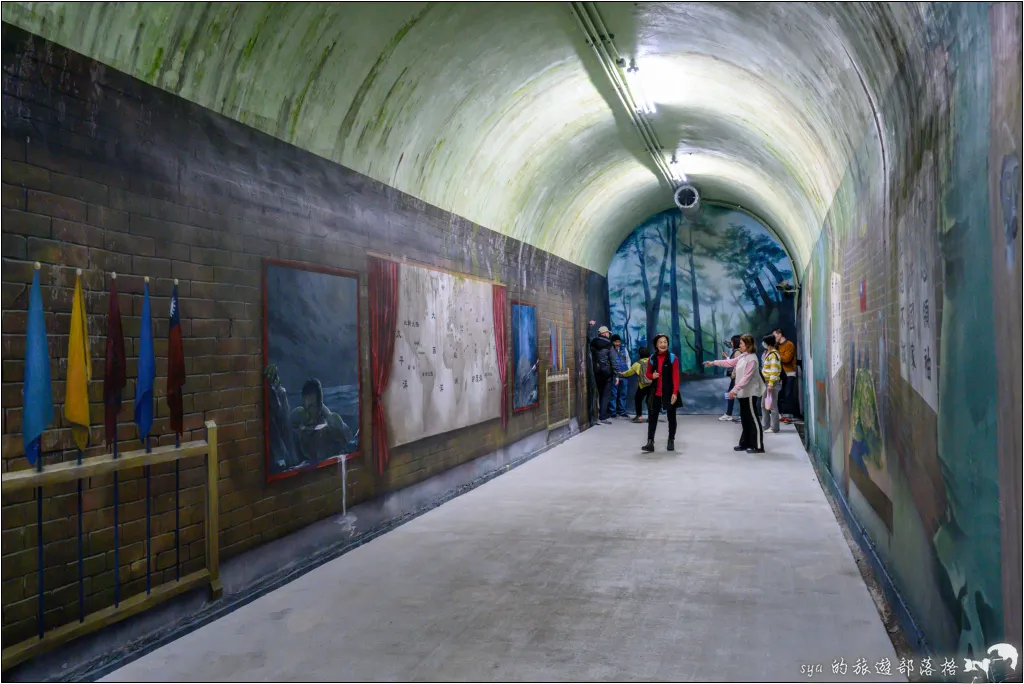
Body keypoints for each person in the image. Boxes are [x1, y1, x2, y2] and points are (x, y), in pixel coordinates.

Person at [705, 333, 766, 453]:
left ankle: (759, 446)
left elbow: (746, 378)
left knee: (753, 418)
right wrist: (713, 362)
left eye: (742, 343)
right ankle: (745, 443)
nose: (740, 345)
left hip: (750, 393)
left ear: (748, 345)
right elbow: (730, 363)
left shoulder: (752, 359)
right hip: (743, 393)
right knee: (745, 418)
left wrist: (734, 390)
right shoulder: (743, 356)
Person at [643, 334, 680, 452]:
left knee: (671, 418)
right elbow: (647, 374)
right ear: (656, 345)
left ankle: (671, 440)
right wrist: (651, 376)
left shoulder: (673, 358)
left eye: (665, 342)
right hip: (655, 393)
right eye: (660, 342)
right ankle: (650, 442)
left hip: (669, 393)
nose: (663, 344)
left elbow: (676, 377)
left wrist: (675, 392)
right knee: (652, 418)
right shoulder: (652, 358)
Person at [589, 325, 615, 424]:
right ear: (604, 333)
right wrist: (616, 374)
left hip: (596, 372)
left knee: (600, 393)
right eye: (608, 333)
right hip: (606, 373)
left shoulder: (593, 343)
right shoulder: (609, 345)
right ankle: (602, 417)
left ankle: (600, 415)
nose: (608, 334)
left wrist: (590, 327)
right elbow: (613, 360)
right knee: (606, 395)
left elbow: (589, 337)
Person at [619, 346, 652, 423]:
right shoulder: (652, 362)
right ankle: (651, 418)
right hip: (653, 385)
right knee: (650, 401)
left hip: (643, 386)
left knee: (638, 399)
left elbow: (629, 373)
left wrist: (622, 374)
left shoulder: (637, 364)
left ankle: (639, 416)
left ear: (639, 355)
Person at [773, 328, 798, 422]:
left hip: (789, 373)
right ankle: (783, 414)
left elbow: (787, 359)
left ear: (780, 335)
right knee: (781, 394)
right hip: (781, 374)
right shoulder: (777, 346)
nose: (774, 338)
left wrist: (776, 354)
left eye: (775, 336)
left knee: (788, 394)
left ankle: (788, 415)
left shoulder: (789, 345)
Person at [761, 334, 782, 434]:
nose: (763, 344)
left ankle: (774, 428)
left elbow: (774, 370)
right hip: (767, 382)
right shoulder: (769, 353)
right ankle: (765, 426)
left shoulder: (773, 355)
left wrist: (770, 384)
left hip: (771, 383)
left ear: (768, 343)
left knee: (772, 405)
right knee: (764, 405)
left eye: (764, 342)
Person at [719, 335, 742, 422]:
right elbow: (733, 362)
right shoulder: (736, 352)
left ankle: (729, 414)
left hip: (736, 378)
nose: (731, 343)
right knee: (734, 395)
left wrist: (734, 374)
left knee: (734, 395)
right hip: (736, 377)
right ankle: (730, 414)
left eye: (732, 342)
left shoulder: (737, 352)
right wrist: (727, 358)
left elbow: (737, 364)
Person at [609, 334, 631, 418]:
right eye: (615, 341)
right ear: (612, 342)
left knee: (623, 394)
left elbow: (628, 360)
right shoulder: (610, 350)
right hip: (615, 375)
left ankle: (622, 411)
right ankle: (612, 412)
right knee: (613, 394)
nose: (617, 343)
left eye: (618, 341)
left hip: (624, 374)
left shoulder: (624, 349)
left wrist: (627, 370)